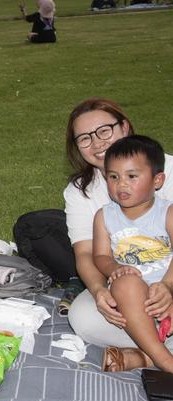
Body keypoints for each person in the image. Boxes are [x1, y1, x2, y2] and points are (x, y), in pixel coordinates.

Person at [64, 98, 173, 351]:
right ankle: (158, 346)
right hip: (128, 288)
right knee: (83, 318)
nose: (97, 142)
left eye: (104, 130)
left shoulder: (165, 170)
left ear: (124, 128)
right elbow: (85, 253)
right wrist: (98, 290)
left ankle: (145, 356)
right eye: (84, 138)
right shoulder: (81, 192)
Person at [92, 135, 173, 372]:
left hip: (167, 287)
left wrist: (168, 286)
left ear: (157, 180)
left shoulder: (167, 213)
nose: (121, 184)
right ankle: (165, 360)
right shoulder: (104, 216)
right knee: (125, 283)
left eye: (132, 176)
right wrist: (114, 269)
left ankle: (145, 357)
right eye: (113, 177)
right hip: (134, 299)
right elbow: (100, 256)